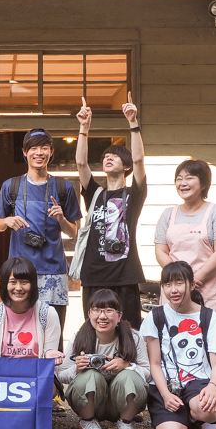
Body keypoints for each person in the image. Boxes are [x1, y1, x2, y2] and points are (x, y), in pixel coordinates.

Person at [155, 158, 216, 419]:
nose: (182, 183)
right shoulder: (169, 214)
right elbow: (161, 250)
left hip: (207, 290)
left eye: (189, 177)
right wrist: (179, 281)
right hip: (174, 292)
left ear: (203, 183)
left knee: (212, 346)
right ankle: (176, 399)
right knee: (172, 342)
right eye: (179, 178)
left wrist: (193, 280)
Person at [0, 129, 81, 345]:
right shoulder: (11, 186)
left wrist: (61, 219)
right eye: (33, 148)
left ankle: (52, 378)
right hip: (20, 273)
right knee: (18, 334)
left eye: (44, 148)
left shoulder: (63, 187)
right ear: (25, 152)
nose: (38, 153)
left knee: (53, 335)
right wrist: (7, 221)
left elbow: (74, 232)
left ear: (51, 152)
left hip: (54, 272)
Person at [74, 94, 147, 328]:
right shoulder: (95, 193)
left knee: (128, 331)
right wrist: (84, 128)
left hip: (125, 275)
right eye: (105, 156)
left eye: (114, 156)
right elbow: (81, 164)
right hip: (95, 274)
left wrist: (133, 124)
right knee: (95, 330)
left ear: (124, 166)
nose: (107, 157)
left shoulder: (133, 195)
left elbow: (138, 161)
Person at [139, 261, 216, 429]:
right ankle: (180, 421)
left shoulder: (209, 317)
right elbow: (154, 363)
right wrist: (165, 395)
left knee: (210, 411)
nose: (173, 290)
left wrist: (212, 387)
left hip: (198, 383)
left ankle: (194, 419)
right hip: (166, 385)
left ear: (192, 284)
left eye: (179, 283)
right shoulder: (155, 317)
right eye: (168, 284)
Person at [56, 288, 150, 429]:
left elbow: (148, 372)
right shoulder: (79, 338)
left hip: (120, 403)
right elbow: (61, 375)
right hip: (91, 403)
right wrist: (78, 369)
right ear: (89, 314)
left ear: (119, 316)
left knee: (129, 375)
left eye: (109, 310)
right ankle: (88, 421)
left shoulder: (133, 337)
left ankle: (126, 422)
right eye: (96, 310)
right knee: (90, 374)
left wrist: (126, 365)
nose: (102, 316)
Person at [0, 257, 62, 361]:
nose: (18, 288)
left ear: (33, 285)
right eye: (13, 282)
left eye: (24, 282)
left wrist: (50, 355)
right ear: (5, 285)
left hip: (36, 375)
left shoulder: (48, 314)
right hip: (3, 375)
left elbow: (50, 356)